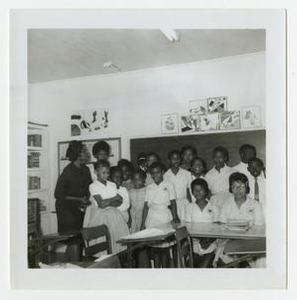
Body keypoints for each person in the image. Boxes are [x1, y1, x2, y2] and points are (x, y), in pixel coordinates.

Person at [214, 172, 265, 267]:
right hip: (229, 241)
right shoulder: (226, 204)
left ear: (247, 187)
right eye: (234, 186)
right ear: (230, 189)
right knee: (224, 261)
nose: (238, 190)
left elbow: (259, 228)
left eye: (241, 186)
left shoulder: (255, 205)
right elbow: (221, 227)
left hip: (250, 241)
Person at [54, 140, 92, 261]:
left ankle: (68, 268)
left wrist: (87, 198)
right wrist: (79, 199)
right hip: (66, 210)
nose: (87, 154)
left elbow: (89, 188)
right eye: (84, 151)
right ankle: (73, 270)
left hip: (79, 208)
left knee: (78, 241)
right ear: (77, 154)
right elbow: (58, 194)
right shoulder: (68, 171)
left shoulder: (85, 170)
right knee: (74, 241)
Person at [83, 160, 129, 254]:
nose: (106, 175)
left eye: (108, 173)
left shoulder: (112, 185)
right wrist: (115, 198)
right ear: (96, 172)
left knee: (116, 242)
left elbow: (119, 203)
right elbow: (101, 204)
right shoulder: (93, 186)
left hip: (115, 216)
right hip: (101, 217)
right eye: (103, 173)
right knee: (103, 243)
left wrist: (108, 202)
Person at [140, 162, 180, 268]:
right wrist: (142, 224)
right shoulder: (149, 187)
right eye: (153, 173)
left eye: (158, 172)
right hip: (152, 217)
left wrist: (175, 217)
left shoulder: (169, 184)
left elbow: (173, 202)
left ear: (162, 172)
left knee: (165, 248)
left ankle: (165, 271)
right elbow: (145, 207)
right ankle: (157, 270)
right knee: (155, 248)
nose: (155, 175)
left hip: (165, 217)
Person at [185, 178, 219, 267]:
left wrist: (209, 240)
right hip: (194, 244)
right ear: (192, 192)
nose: (198, 192)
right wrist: (199, 240)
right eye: (195, 190)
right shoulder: (189, 207)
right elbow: (188, 227)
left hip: (210, 244)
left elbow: (217, 228)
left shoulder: (214, 208)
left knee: (203, 269)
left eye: (200, 190)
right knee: (191, 269)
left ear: (206, 191)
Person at [164, 150, 192, 221]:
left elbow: (190, 192)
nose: (176, 161)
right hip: (171, 205)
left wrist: (191, 205)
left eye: (178, 158)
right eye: (173, 159)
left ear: (181, 160)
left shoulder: (187, 174)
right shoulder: (165, 176)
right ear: (169, 161)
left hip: (184, 204)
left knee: (186, 224)